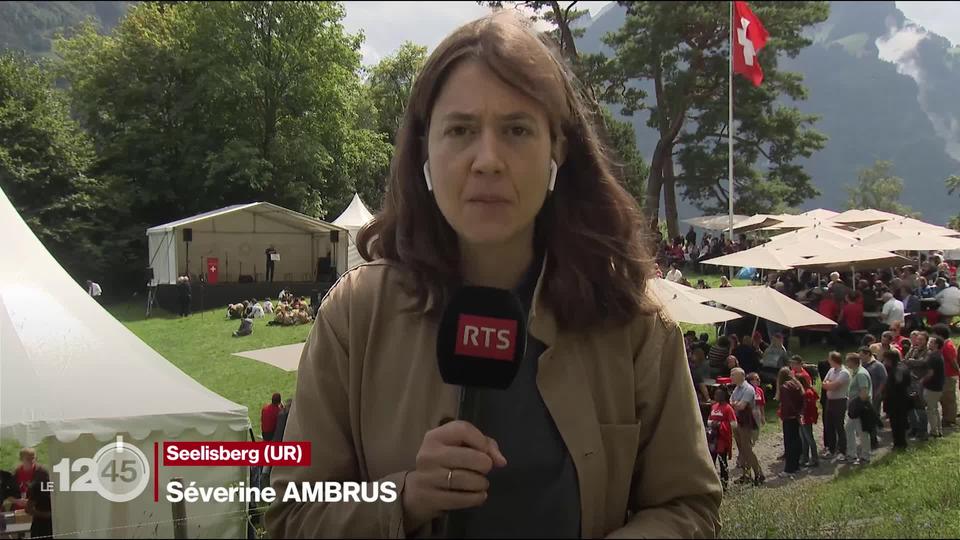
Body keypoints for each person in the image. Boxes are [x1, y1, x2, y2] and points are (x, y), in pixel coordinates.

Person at [266, 13, 720, 538]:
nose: (488, 160)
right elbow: (291, 516)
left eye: (516, 130)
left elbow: (689, 506)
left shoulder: (631, 320)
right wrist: (404, 498)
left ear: (558, 150)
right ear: (424, 153)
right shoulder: (355, 316)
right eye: (460, 130)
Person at [729, 368, 764, 487]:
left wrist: (735, 404)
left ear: (741, 376)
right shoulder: (737, 388)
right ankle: (746, 475)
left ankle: (759, 474)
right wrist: (735, 404)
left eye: (733, 375)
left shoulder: (748, 389)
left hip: (747, 423)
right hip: (738, 421)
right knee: (742, 450)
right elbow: (732, 402)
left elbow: (741, 406)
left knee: (747, 449)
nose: (731, 377)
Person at [844, 352, 873, 465]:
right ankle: (852, 454)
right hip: (855, 408)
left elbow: (864, 392)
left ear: (852, 362)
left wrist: (855, 404)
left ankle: (865, 456)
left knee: (862, 432)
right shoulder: (855, 372)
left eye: (847, 361)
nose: (846, 363)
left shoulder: (861, 374)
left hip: (860, 408)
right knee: (849, 428)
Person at [707, 387, 737, 492]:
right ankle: (711, 484)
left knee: (722, 461)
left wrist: (720, 424)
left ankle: (724, 485)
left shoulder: (728, 408)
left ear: (724, 396)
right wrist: (712, 423)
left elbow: (734, 424)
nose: (716, 396)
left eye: (718, 394)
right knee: (711, 460)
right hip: (713, 438)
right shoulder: (714, 406)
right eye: (715, 394)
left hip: (722, 439)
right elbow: (709, 420)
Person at [820, 352, 849, 460]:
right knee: (829, 426)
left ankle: (842, 451)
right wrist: (829, 384)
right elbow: (824, 384)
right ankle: (831, 449)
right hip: (830, 401)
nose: (828, 361)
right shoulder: (831, 370)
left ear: (834, 360)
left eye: (829, 359)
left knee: (839, 426)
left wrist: (829, 384)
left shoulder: (844, 372)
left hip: (840, 401)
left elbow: (834, 386)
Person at [776, 367, 804, 478]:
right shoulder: (796, 385)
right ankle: (796, 466)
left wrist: (791, 414)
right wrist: (799, 414)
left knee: (789, 443)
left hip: (789, 417)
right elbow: (802, 399)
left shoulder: (784, 387)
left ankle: (789, 469)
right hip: (796, 416)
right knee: (796, 440)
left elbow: (787, 404)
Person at [882, 349, 911, 451]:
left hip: (897, 401)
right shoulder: (903, 366)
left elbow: (898, 384)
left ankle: (899, 443)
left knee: (897, 423)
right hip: (902, 399)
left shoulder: (897, 369)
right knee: (899, 422)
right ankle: (900, 443)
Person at [931, 324, 958, 427]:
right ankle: (946, 417)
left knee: (949, 398)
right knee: (944, 398)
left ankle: (950, 419)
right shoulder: (943, 345)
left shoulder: (948, 346)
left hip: (949, 375)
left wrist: (957, 372)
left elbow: (953, 361)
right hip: (944, 375)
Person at [860, 347, 887, 449]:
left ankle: (873, 440)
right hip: (864, 396)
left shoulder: (878, 365)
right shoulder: (863, 365)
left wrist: (878, 392)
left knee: (872, 417)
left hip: (874, 396)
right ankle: (867, 439)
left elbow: (884, 380)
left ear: (868, 354)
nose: (860, 357)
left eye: (862, 355)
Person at [923, 336, 946, 438]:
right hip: (939, 386)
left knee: (931, 410)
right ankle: (938, 429)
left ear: (936, 344)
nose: (929, 343)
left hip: (932, 387)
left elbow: (930, 373)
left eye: (931, 342)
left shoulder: (933, 357)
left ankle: (934, 431)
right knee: (935, 409)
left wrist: (922, 381)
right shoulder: (939, 355)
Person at [798, 376, 820, 468]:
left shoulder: (807, 393)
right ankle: (805, 458)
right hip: (803, 418)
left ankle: (815, 459)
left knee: (809, 438)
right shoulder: (806, 391)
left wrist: (803, 417)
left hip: (805, 419)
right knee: (804, 439)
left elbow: (808, 408)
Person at [25, 466, 52, 539]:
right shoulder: (38, 487)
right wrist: (45, 515)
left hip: (55, 525)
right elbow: (28, 509)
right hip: (41, 526)